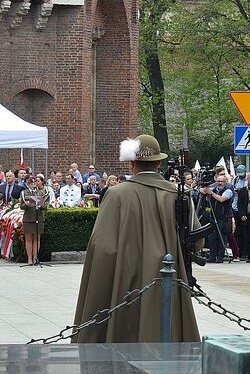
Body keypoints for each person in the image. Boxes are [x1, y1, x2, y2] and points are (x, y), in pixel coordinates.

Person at [73, 134, 201, 343]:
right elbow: (196, 241)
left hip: (125, 277)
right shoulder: (179, 195)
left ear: (132, 163)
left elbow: (102, 246)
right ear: (158, 162)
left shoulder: (116, 194)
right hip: (169, 274)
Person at [199, 173, 233, 263]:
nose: (220, 183)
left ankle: (220, 256)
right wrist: (204, 189)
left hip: (222, 217)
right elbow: (201, 191)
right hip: (212, 216)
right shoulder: (214, 189)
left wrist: (212, 193)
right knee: (211, 237)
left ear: (225, 182)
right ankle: (212, 256)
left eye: (222, 181)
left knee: (221, 236)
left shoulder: (228, 191)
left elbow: (221, 199)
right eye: (218, 181)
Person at [19, 175, 48, 266]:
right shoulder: (24, 192)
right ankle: (29, 259)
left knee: (37, 239)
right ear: (27, 184)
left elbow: (44, 207)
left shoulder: (40, 192)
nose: (33, 184)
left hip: (38, 217)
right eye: (31, 183)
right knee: (29, 239)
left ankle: (35, 258)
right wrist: (27, 204)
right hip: (28, 218)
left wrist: (42, 205)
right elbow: (21, 206)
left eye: (34, 182)